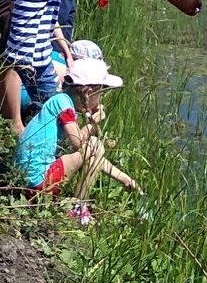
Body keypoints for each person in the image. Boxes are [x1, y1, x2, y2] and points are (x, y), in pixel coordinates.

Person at [2, 0, 161, 133]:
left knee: (51, 104)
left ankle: (45, 133)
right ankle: (58, 140)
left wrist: (66, 48)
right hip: (32, 56)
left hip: (37, 54)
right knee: (56, 107)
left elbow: (46, 16)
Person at [14, 58, 140, 226]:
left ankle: (76, 205)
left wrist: (123, 178)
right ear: (88, 92)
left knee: (93, 146)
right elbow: (79, 145)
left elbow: (89, 156)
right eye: (101, 92)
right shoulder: (64, 104)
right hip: (38, 184)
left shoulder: (60, 101)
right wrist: (92, 124)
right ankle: (78, 208)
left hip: (21, 180)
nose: (101, 98)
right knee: (94, 144)